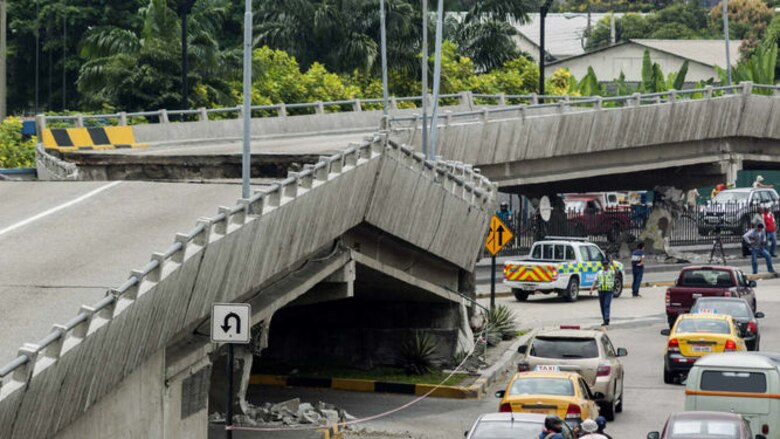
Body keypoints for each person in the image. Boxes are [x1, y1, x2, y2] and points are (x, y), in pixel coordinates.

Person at [590, 255, 616, 326]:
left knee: (606, 305)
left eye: (606, 264)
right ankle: (604, 318)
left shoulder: (611, 272)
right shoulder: (599, 273)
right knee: (602, 306)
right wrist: (592, 289)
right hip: (601, 291)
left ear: (608, 265)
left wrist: (612, 263)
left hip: (608, 291)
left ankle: (606, 319)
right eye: (604, 265)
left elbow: (616, 272)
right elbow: (595, 281)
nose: (605, 266)